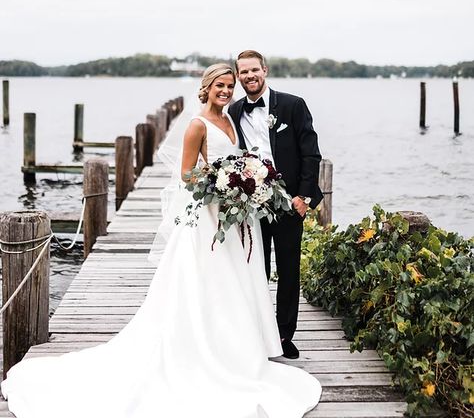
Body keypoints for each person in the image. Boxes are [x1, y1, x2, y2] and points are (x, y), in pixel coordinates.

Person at [1, 63, 321, 418]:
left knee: (237, 281)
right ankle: (202, 350)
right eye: (221, 84)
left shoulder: (232, 118)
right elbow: (186, 174)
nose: (227, 90)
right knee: (208, 283)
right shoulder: (196, 124)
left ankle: (240, 347)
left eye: (230, 85)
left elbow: (252, 156)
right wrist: (221, 181)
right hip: (209, 217)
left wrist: (245, 180)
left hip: (234, 216)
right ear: (207, 87)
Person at [229, 51, 323, 360]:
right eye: (243, 72)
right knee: (255, 268)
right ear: (238, 76)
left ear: (264, 71)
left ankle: (284, 335)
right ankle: (257, 330)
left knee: (288, 269)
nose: (249, 76)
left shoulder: (293, 105)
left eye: (254, 69)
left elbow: (311, 154)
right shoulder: (234, 110)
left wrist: (305, 197)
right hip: (251, 204)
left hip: (288, 203)